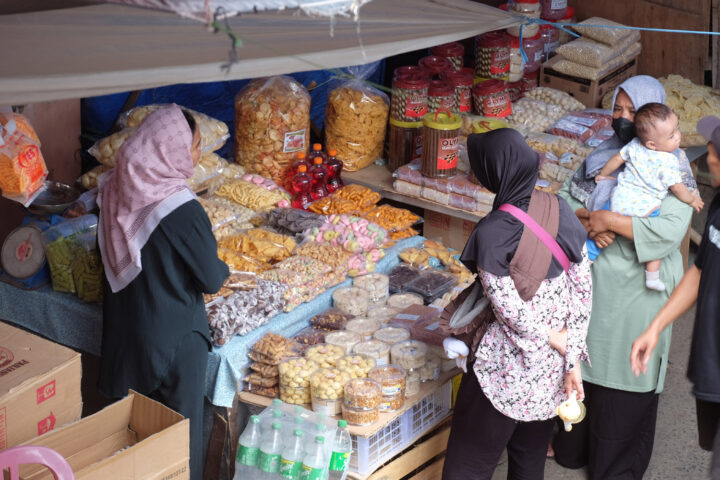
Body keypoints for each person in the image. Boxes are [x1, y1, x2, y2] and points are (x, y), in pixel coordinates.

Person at [552, 76, 694, 479]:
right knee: (582, 370)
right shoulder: (600, 157)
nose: (624, 118)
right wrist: (588, 222)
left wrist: (609, 219)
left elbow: (668, 229)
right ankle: (572, 446)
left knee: (623, 382)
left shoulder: (674, 166)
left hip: (637, 295)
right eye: (618, 109)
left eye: (634, 111)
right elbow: (562, 206)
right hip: (591, 286)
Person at [441, 129, 591, 480]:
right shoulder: (559, 209)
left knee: (468, 466)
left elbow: (509, 311)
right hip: (549, 375)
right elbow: (583, 293)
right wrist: (571, 360)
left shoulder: (492, 231)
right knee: (528, 463)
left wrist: (555, 340)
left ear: (495, 172)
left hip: (503, 373)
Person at [96, 104, 229, 480]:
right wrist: (225, 267)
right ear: (169, 151)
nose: (198, 154)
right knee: (179, 444)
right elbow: (211, 279)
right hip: (174, 343)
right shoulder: (181, 209)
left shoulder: (114, 191)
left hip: (129, 335)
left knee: (137, 440)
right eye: (195, 145)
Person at [630, 115, 720, 480]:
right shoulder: (717, 206)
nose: (708, 158)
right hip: (711, 372)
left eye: (714, 151)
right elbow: (700, 271)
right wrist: (656, 326)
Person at [592, 103, 703, 290]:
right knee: (655, 243)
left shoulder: (634, 145)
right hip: (645, 208)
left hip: (619, 200)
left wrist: (603, 175)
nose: (678, 136)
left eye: (677, 129)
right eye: (672, 135)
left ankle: (588, 256)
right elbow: (678, 188)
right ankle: (652, 276)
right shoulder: (668, 160)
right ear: (652, 144)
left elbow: (617, 159)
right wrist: (691, 199)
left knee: (599, 229)